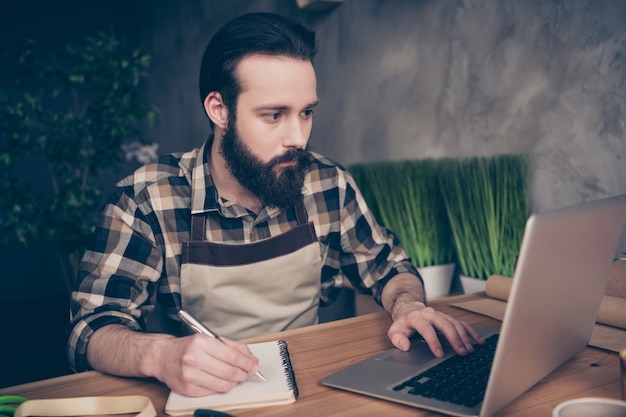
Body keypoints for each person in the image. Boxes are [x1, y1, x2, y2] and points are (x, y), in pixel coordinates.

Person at [67, 12, 483, 397]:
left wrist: (406, 305)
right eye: (274, 115)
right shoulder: (146, 199)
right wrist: (160, 355)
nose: (298, 138)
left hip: (309, 386)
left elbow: (389, 267)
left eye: (306, 113)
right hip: (208, 396)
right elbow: (91, 329)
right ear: (219, 109)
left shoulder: (326, 184)